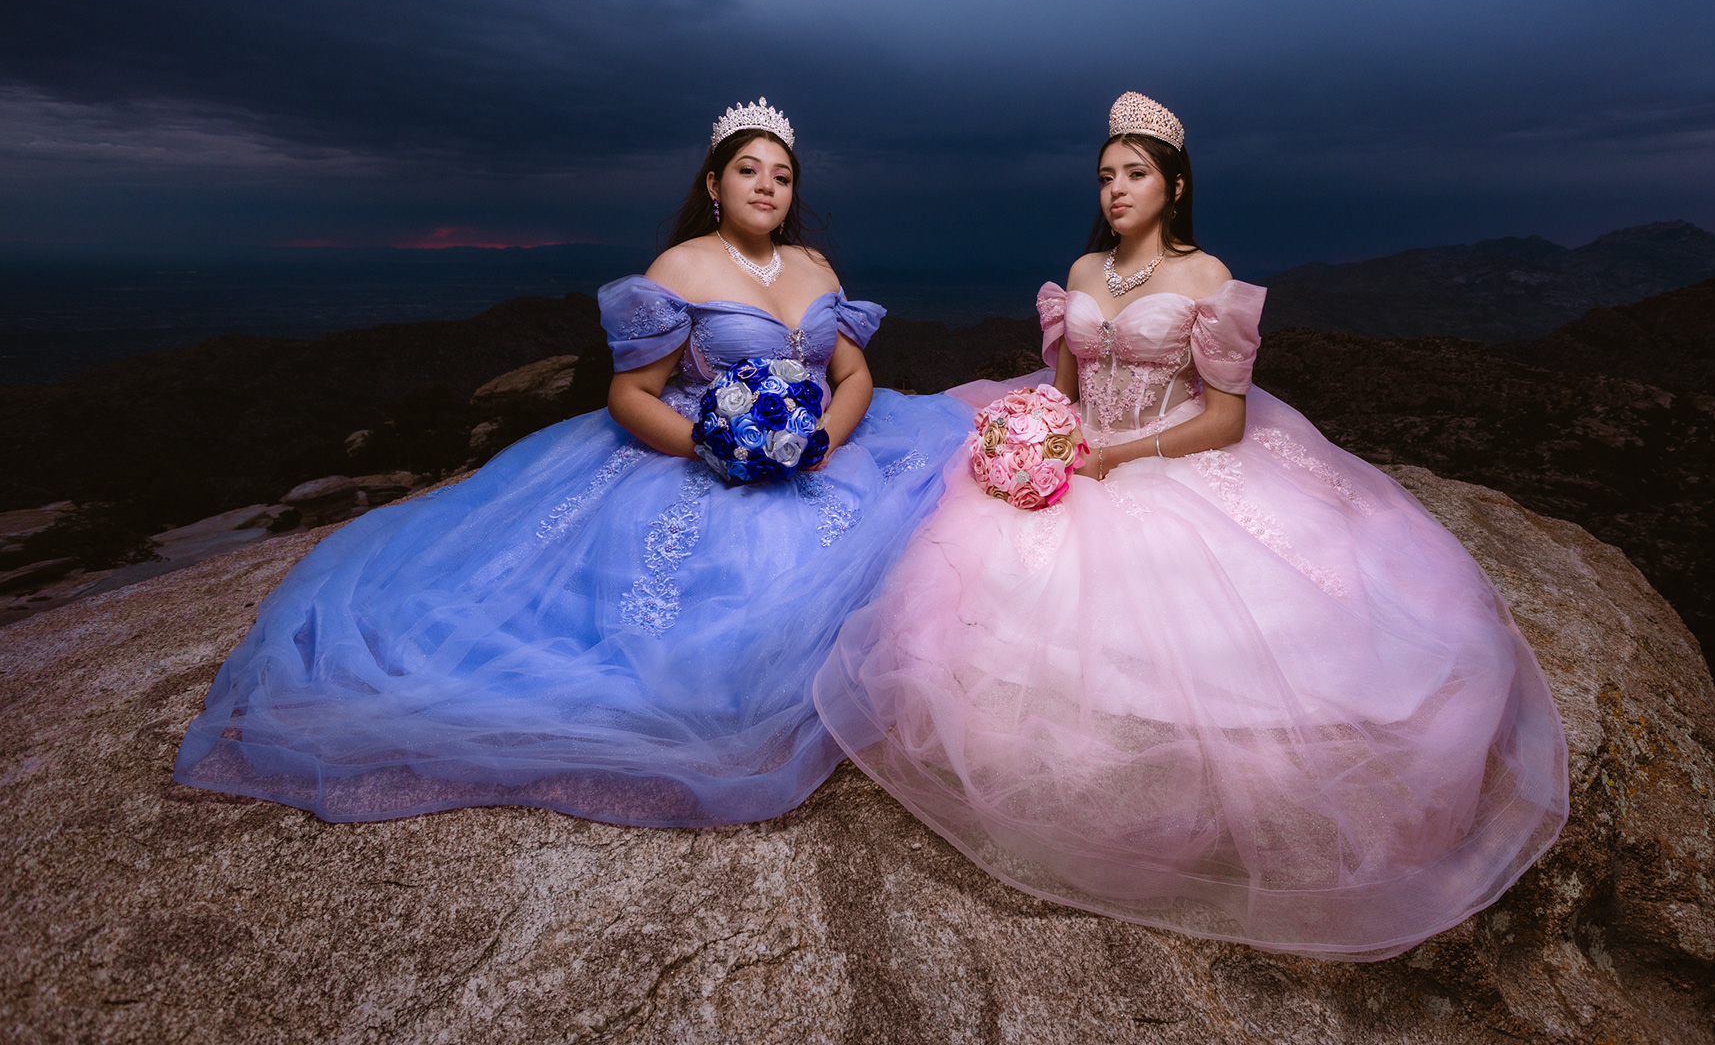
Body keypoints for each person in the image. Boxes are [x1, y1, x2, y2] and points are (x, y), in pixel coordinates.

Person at [814, 92, 1568, 958]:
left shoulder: (1208, 279)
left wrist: (1120, 456)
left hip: (1170, 457)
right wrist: (1036, 440)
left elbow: (1226, 420)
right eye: (1106, 176)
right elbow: (1062, 391)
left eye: (1135, 174)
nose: (1116, 190)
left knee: (1222, 628)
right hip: (1081, 453)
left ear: (1173, 186)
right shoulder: (1084, 273)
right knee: (985, 584)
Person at [176, 98, 972, 827]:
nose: (766, 186)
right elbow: (631, 395)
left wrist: (823, 440)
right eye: (747, 169)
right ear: (714, 182)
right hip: (705, 453)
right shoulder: (681, 269)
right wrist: (714, 448)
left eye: (782, 175)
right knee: (726, 606)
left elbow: (853, 374)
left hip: (822, 448)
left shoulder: (816, 268)